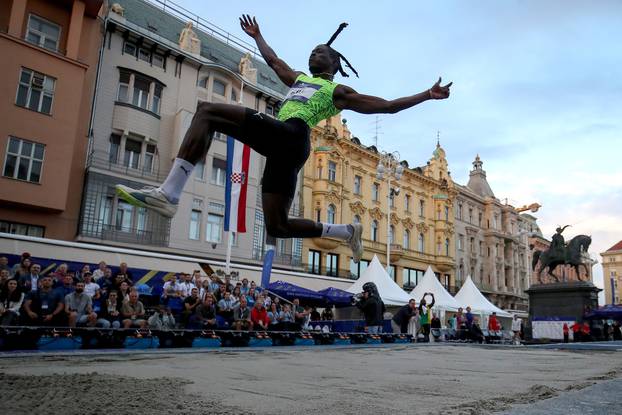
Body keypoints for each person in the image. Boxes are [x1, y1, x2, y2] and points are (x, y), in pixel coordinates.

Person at [115, 15, 451, 265]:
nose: (313, 55)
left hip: (293, 134)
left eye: (320, 53)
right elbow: (274, 62)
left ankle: (170, 193)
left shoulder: (337, 91)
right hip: (286, 149)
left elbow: (388, 107)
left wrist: (427, 94)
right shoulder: (299, 79)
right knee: (278, 224)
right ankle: (346, 231)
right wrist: (259, 36)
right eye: (312, 52)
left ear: (334, 63)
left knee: (206, 112)